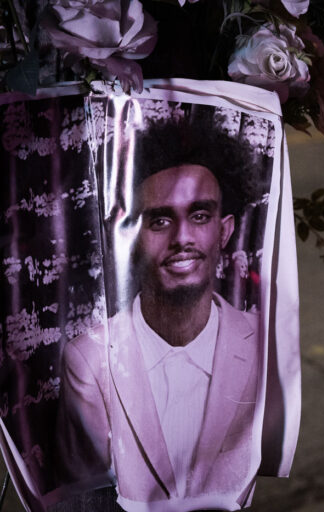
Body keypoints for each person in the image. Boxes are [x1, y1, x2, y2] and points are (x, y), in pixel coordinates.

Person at [56, 118, 269, 511]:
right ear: (131, 237)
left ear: (224, 231)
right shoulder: (88, 362)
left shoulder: (263, 344)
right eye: (160, 220)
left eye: (200, 216)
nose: (183, 238)